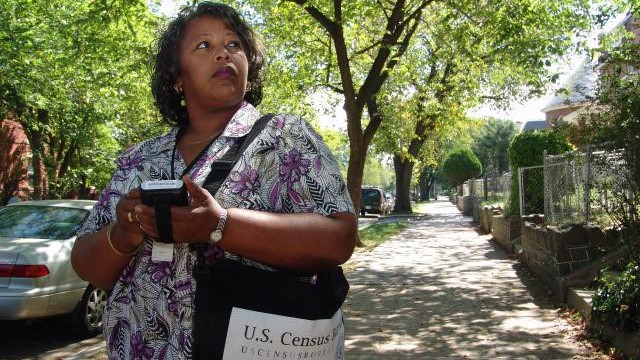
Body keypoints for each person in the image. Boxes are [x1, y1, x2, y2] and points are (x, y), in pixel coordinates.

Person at [71, 2, 356, 359]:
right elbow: (85, 263)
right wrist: (123, 235)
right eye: (204, 46)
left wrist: (219, 225)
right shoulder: (140, 159)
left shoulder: (287, 138)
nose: (223, 53)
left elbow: (339, 238)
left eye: (234, 45)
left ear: (249, 69)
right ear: (177, 77)